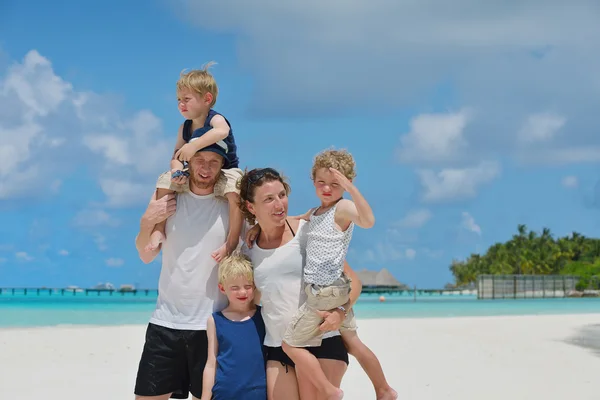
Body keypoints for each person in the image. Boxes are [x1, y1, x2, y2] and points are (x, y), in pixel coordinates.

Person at [280, 149, 397, 400]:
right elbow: (294, 219)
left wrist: (349, 189)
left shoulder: (342, 208)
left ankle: (328, 390)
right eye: (321, 182)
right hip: (337, 289)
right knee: (353, 343)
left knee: (290, 344)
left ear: (346, 184)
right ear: (312, 182)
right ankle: (384, 389)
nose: (326, 188)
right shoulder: (315, 212)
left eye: (335, 184)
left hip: (323, 292)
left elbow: (368, 221)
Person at [240, 167, 361, 400]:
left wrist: (340, 311)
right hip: (278, 345)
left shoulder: (308, 232)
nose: (279, 204)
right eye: (268, 199)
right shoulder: (247, 248)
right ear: (251, 207)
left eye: (281, 195)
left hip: (322, 340)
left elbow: (353, 282)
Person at [133, 145, 233, 400]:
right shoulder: (170, 200)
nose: (206, 167)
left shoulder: (231, 207)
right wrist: (147, 223)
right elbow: (145, 255)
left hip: (213, 326)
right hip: (165, 322)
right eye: (200, 159)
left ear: (223, 164)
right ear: (188, 161)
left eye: (213, 161)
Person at [146, 62, 243, 263]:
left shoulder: (214, 119)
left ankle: (231, 241)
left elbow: (221, 132)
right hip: (195, 170)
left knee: (236, 190)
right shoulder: (185, 127)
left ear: (207, 99)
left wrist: (194, 146)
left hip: (226, 169)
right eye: (179, 100)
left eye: (187, 99)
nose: (181, 104)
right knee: (164, 180)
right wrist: (177, 171)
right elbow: (176, 157)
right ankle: (159, 229)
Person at [200, 252, 267, 400]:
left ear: (254, 286)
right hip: (225, 393)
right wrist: (205, 397)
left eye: (247, 286)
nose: (242, 292)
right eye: (235, 287)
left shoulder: (264, 316)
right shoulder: (215, 320)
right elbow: (211, 363)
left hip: (259, 394)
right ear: (222, 288)